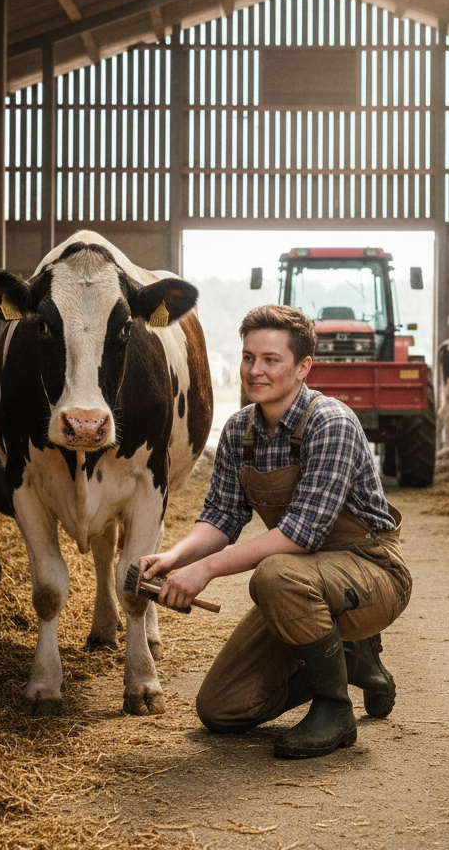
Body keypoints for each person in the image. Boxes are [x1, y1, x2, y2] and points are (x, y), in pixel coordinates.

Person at [138, 303, 413, 759]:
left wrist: (205, 570)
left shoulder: (331, 423)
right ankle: (347, 660)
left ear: (303, 367)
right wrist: (174, 558)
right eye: (249, 357)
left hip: (371, 573)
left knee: (274, 574)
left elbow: (300, 535)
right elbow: (221, 517)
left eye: (271, 360)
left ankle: (334, 710)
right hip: (305, 578)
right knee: (222, 709)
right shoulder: (239, 431)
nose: (255, 370)